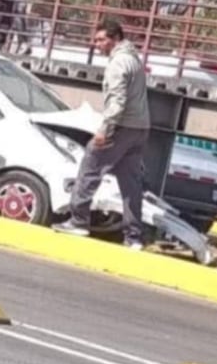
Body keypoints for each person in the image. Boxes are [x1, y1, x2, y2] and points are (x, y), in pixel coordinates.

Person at [56, 19, 150, 249]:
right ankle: (133, 237)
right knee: (130, 184)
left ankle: (78, 221)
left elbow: (117, 101)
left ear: (115, 38)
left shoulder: (118, 63)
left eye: (101, 40)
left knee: (90, 167)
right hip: (140, 129)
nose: (96, 44)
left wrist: (105, 130)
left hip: (120, 127)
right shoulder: (134, 60)